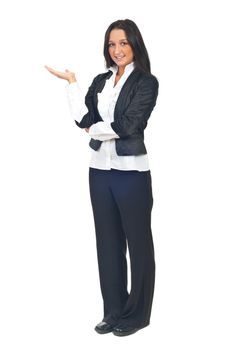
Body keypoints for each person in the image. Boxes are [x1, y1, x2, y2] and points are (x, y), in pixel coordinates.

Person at [45, 18, 159, 337]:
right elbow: (83, 118)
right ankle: (114, 311)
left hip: (131, 173)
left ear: (134, 44)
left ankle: (137, 315)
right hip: (99, 171)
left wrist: (94, 130)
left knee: (137, 245)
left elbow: (129, 125)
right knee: (107, 243)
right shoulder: (100, 81)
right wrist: (71, 82)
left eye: (123, 43)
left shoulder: (145, 82)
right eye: (112, 44)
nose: (117, 49)